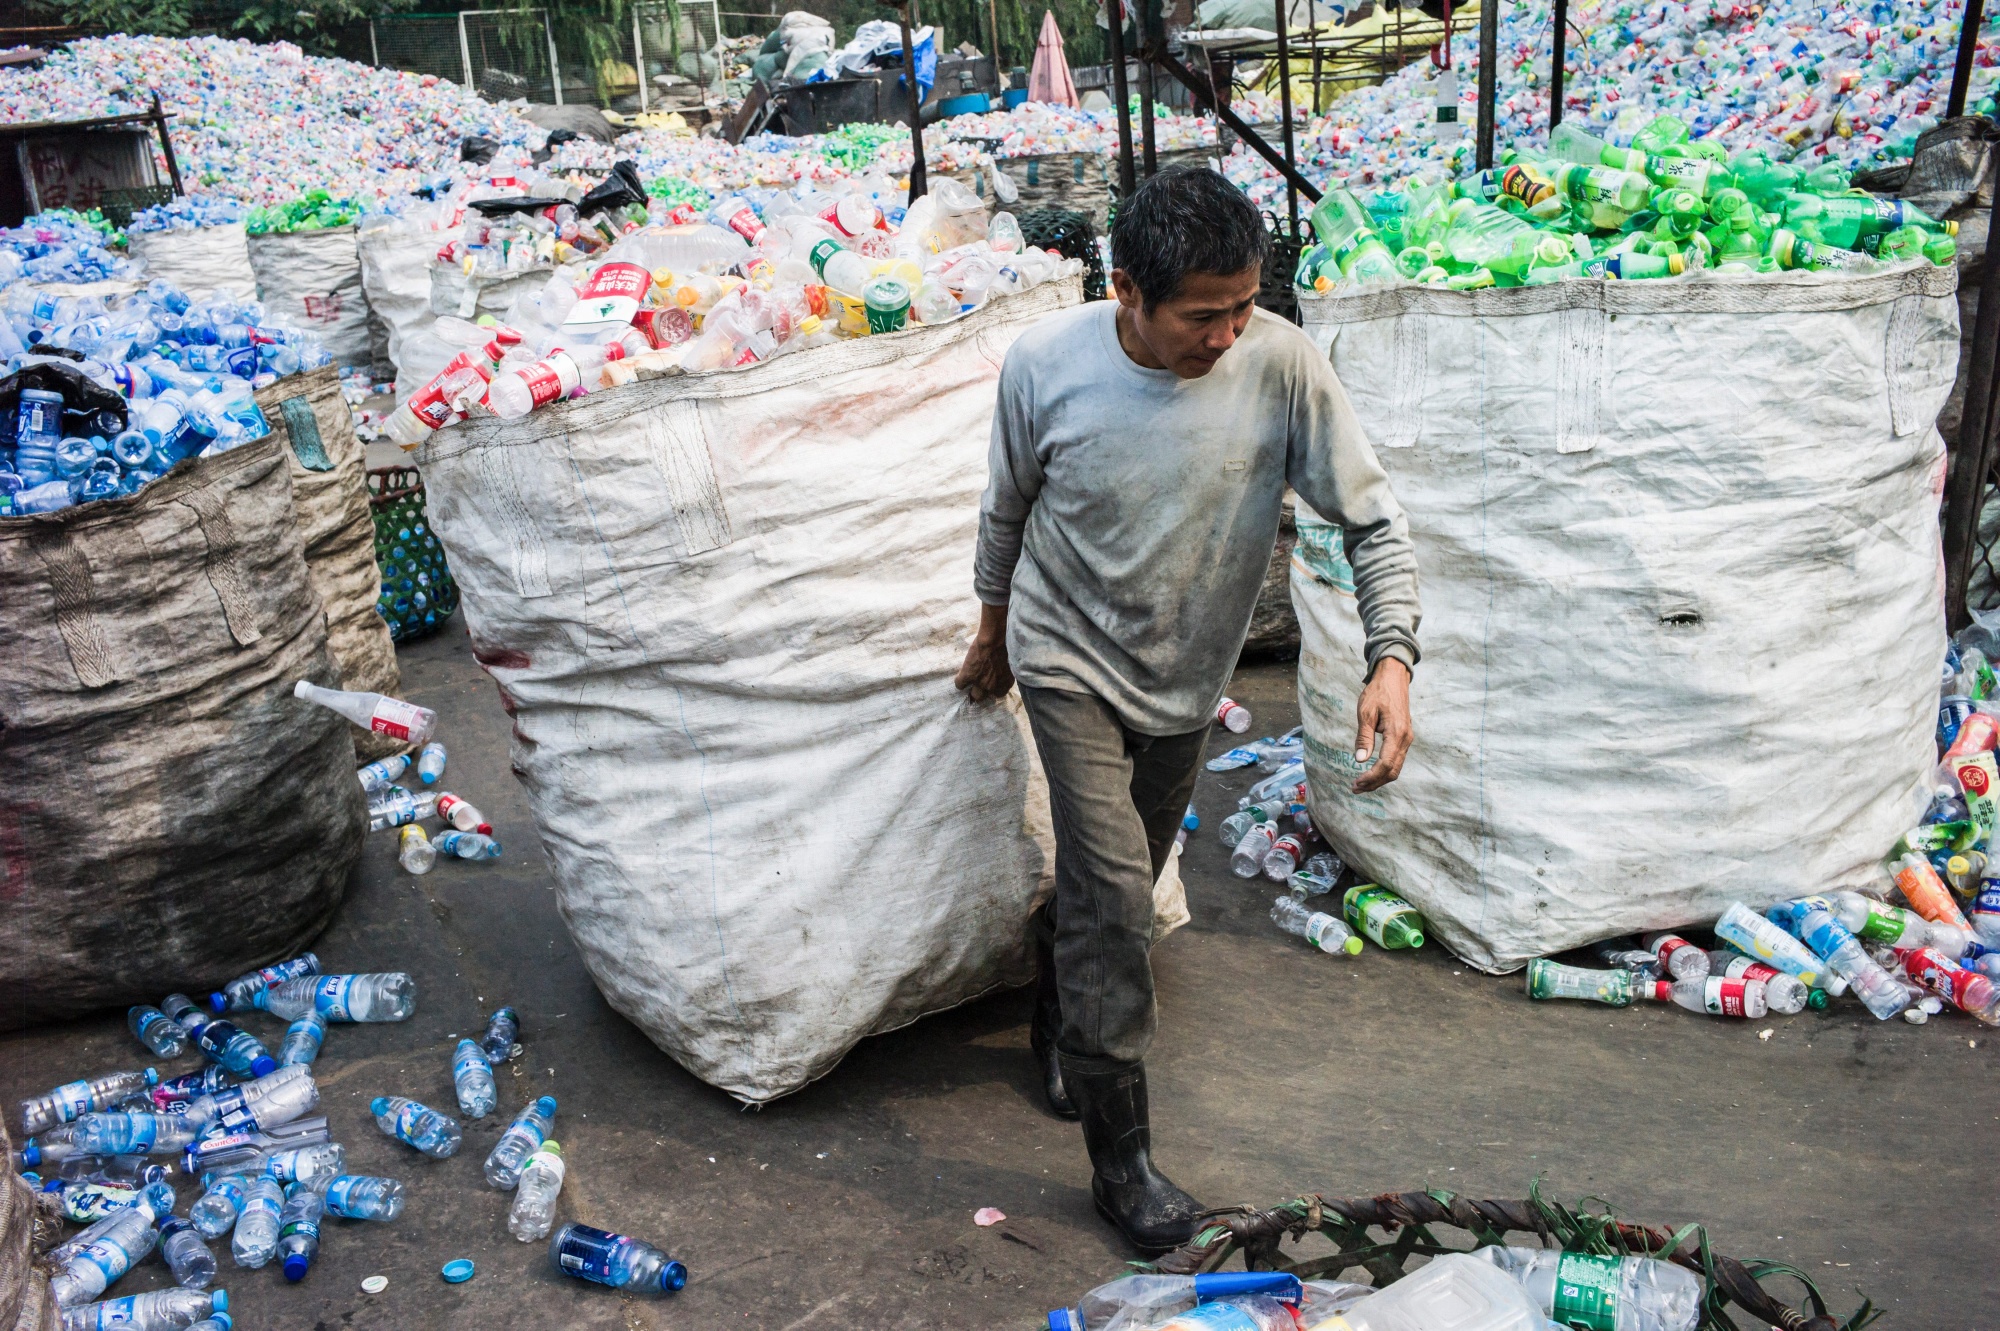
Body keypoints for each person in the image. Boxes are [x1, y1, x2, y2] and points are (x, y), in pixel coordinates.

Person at [954, 166, 1422, 1253]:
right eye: (1199, 314)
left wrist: (1388, 657)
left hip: (1183, 678)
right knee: (1120, 896)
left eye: (1242, 306)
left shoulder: (1280, 365)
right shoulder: (1044, 365)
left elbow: (1372, 520)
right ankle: (1123, 1166)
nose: (1225, 333)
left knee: (1110, 884)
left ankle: (1056, 987)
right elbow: (1004, 508)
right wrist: (990, 637)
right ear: (1126, 289)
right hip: (1066, 655)